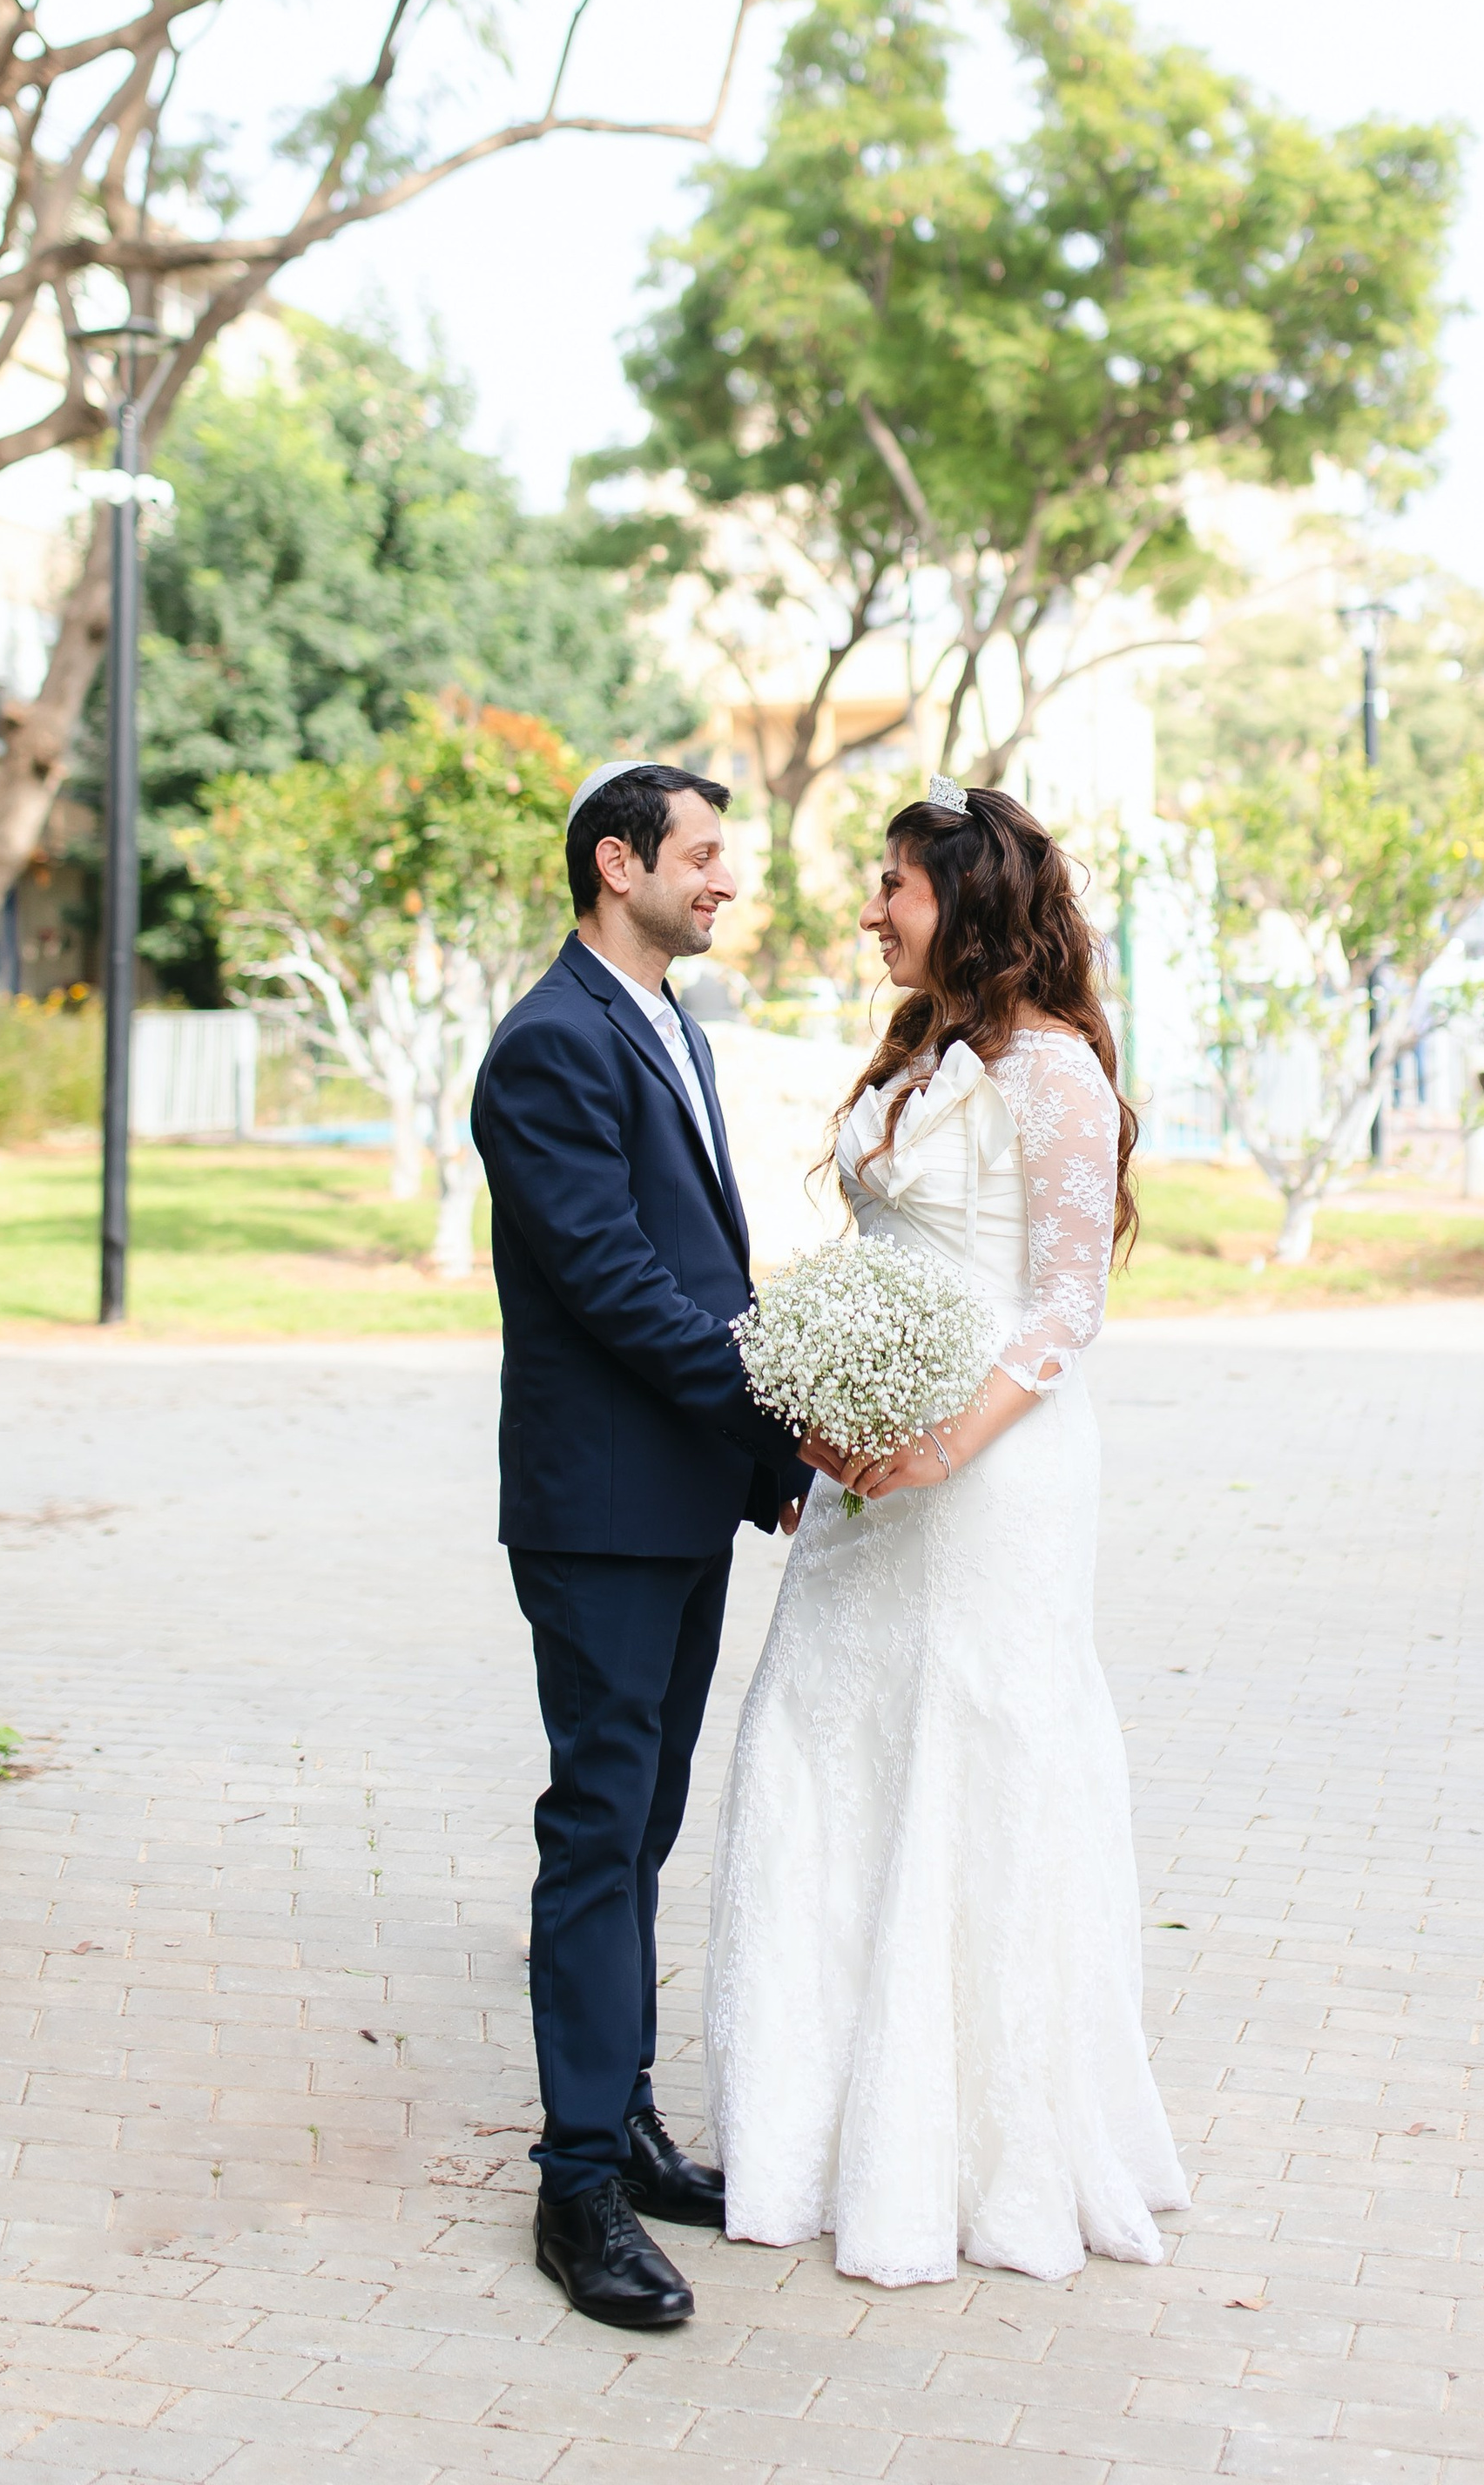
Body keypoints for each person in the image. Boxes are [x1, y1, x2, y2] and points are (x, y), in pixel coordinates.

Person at [703, 777, 1189, 2286]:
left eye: (895, 888)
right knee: (818, 1740)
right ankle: (812, 2124)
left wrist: (939, 1445)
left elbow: (1065, 1305)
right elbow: (875, 1251)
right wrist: (831, 1399)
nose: (871, 910)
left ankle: (978, 2149)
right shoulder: (920, 1048)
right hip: (867, 1461)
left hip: (992, 1474)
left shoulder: (1051, 1073)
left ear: (965, 905)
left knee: (973, 1760)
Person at [472, 761, 805, 2333]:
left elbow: (705, 1264)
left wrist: (750, 1457)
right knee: (599, 1825)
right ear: (619, 864)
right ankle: (576, 2181)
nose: (726, 877)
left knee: (645, 1822)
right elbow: (617, 1285)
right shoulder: (548, 1045)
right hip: (601, 1511)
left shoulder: (670, 1019)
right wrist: (784, 1414)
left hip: (678, 1499)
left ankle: (630, 2114)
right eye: (704, 853)